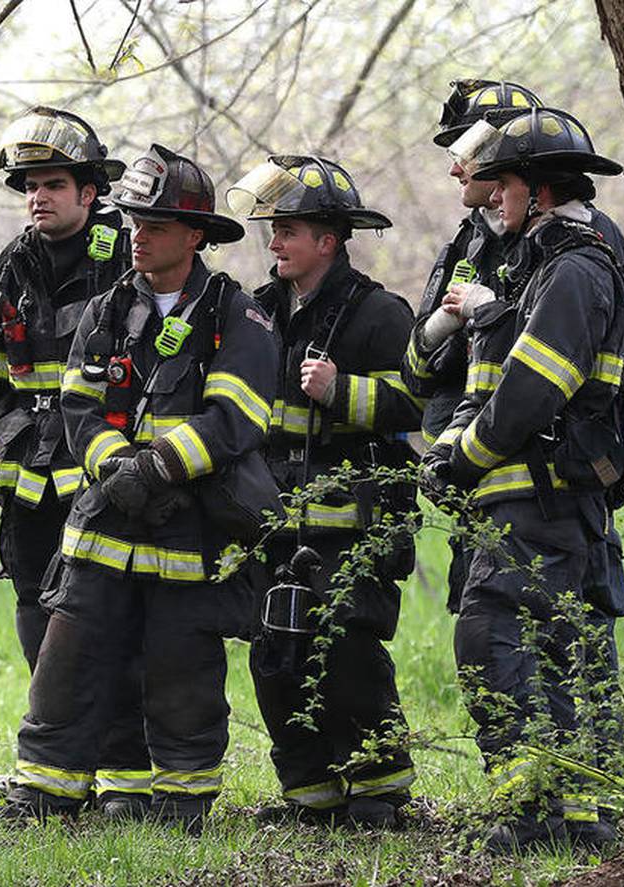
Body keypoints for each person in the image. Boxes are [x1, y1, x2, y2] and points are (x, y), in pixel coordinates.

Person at [5, 144, 277, 832]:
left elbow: (234, 417)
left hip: (189, 533)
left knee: (182, 674)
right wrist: (115, 467)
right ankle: (42, 796)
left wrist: (155, 468)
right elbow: (77, 407)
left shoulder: (237, 318)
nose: (138, 236)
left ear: (194, 235)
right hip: (103, 529)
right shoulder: (105, 311)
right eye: (132, 222)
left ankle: (182, 807)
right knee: (65, 667)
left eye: (154, 225)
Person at [418, 107, 624, 851]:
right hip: (520, 493)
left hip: (539, 491)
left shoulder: (574, 267)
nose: (491, 194)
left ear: (538, 190)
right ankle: (566, 816)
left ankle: (536, 807)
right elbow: (479, 387)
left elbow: (531, 392)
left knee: (492, 636)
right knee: (544, 652)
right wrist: (447, 454)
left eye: (502, 182)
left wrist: (462, 458)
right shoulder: (537, 264)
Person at [0, 106, 153, 810]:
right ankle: (70, 769)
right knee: (40, 626)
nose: (38, 196)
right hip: (28, 490)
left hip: (105, 483)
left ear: (90, 192)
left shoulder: (132, 260)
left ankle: (127, 776)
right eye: (30, 184)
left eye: (54, 183)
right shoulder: (9, 266)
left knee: (113, 628)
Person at [224, 155, 421, 828]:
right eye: (273, 230)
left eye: (289, 230)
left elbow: (418, 400)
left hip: (356, 529)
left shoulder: (377, 313)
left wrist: (342, 391)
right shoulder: (258, 313)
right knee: (274, 652)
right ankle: (310, 793)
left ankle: (378, 791)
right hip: (276, 524)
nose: (274, 242)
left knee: (345, 652)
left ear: (328, 241)